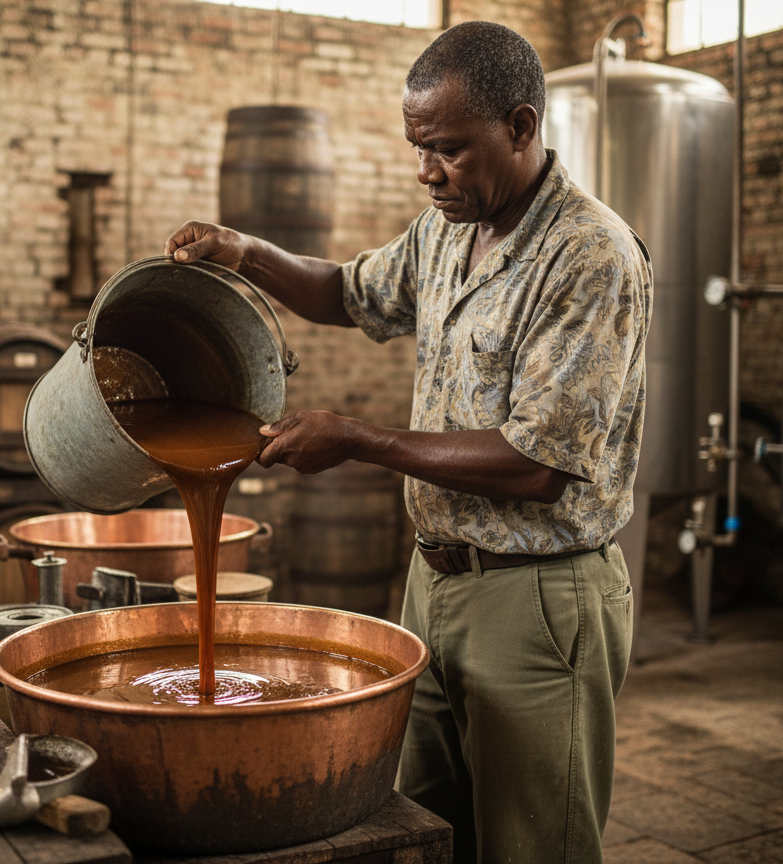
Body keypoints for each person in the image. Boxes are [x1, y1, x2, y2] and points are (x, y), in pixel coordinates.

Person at [165, 20, 650, 864]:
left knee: (534, 845)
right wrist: (246, 252)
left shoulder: (588, 255)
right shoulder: (448, 228)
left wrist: (357, 438)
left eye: (450, 149)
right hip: (434, 584)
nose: (428, 172)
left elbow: (538, 466)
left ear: (522, 127)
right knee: (422, 832)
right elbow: (347, 292)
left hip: (537, 597)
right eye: (417, 146)